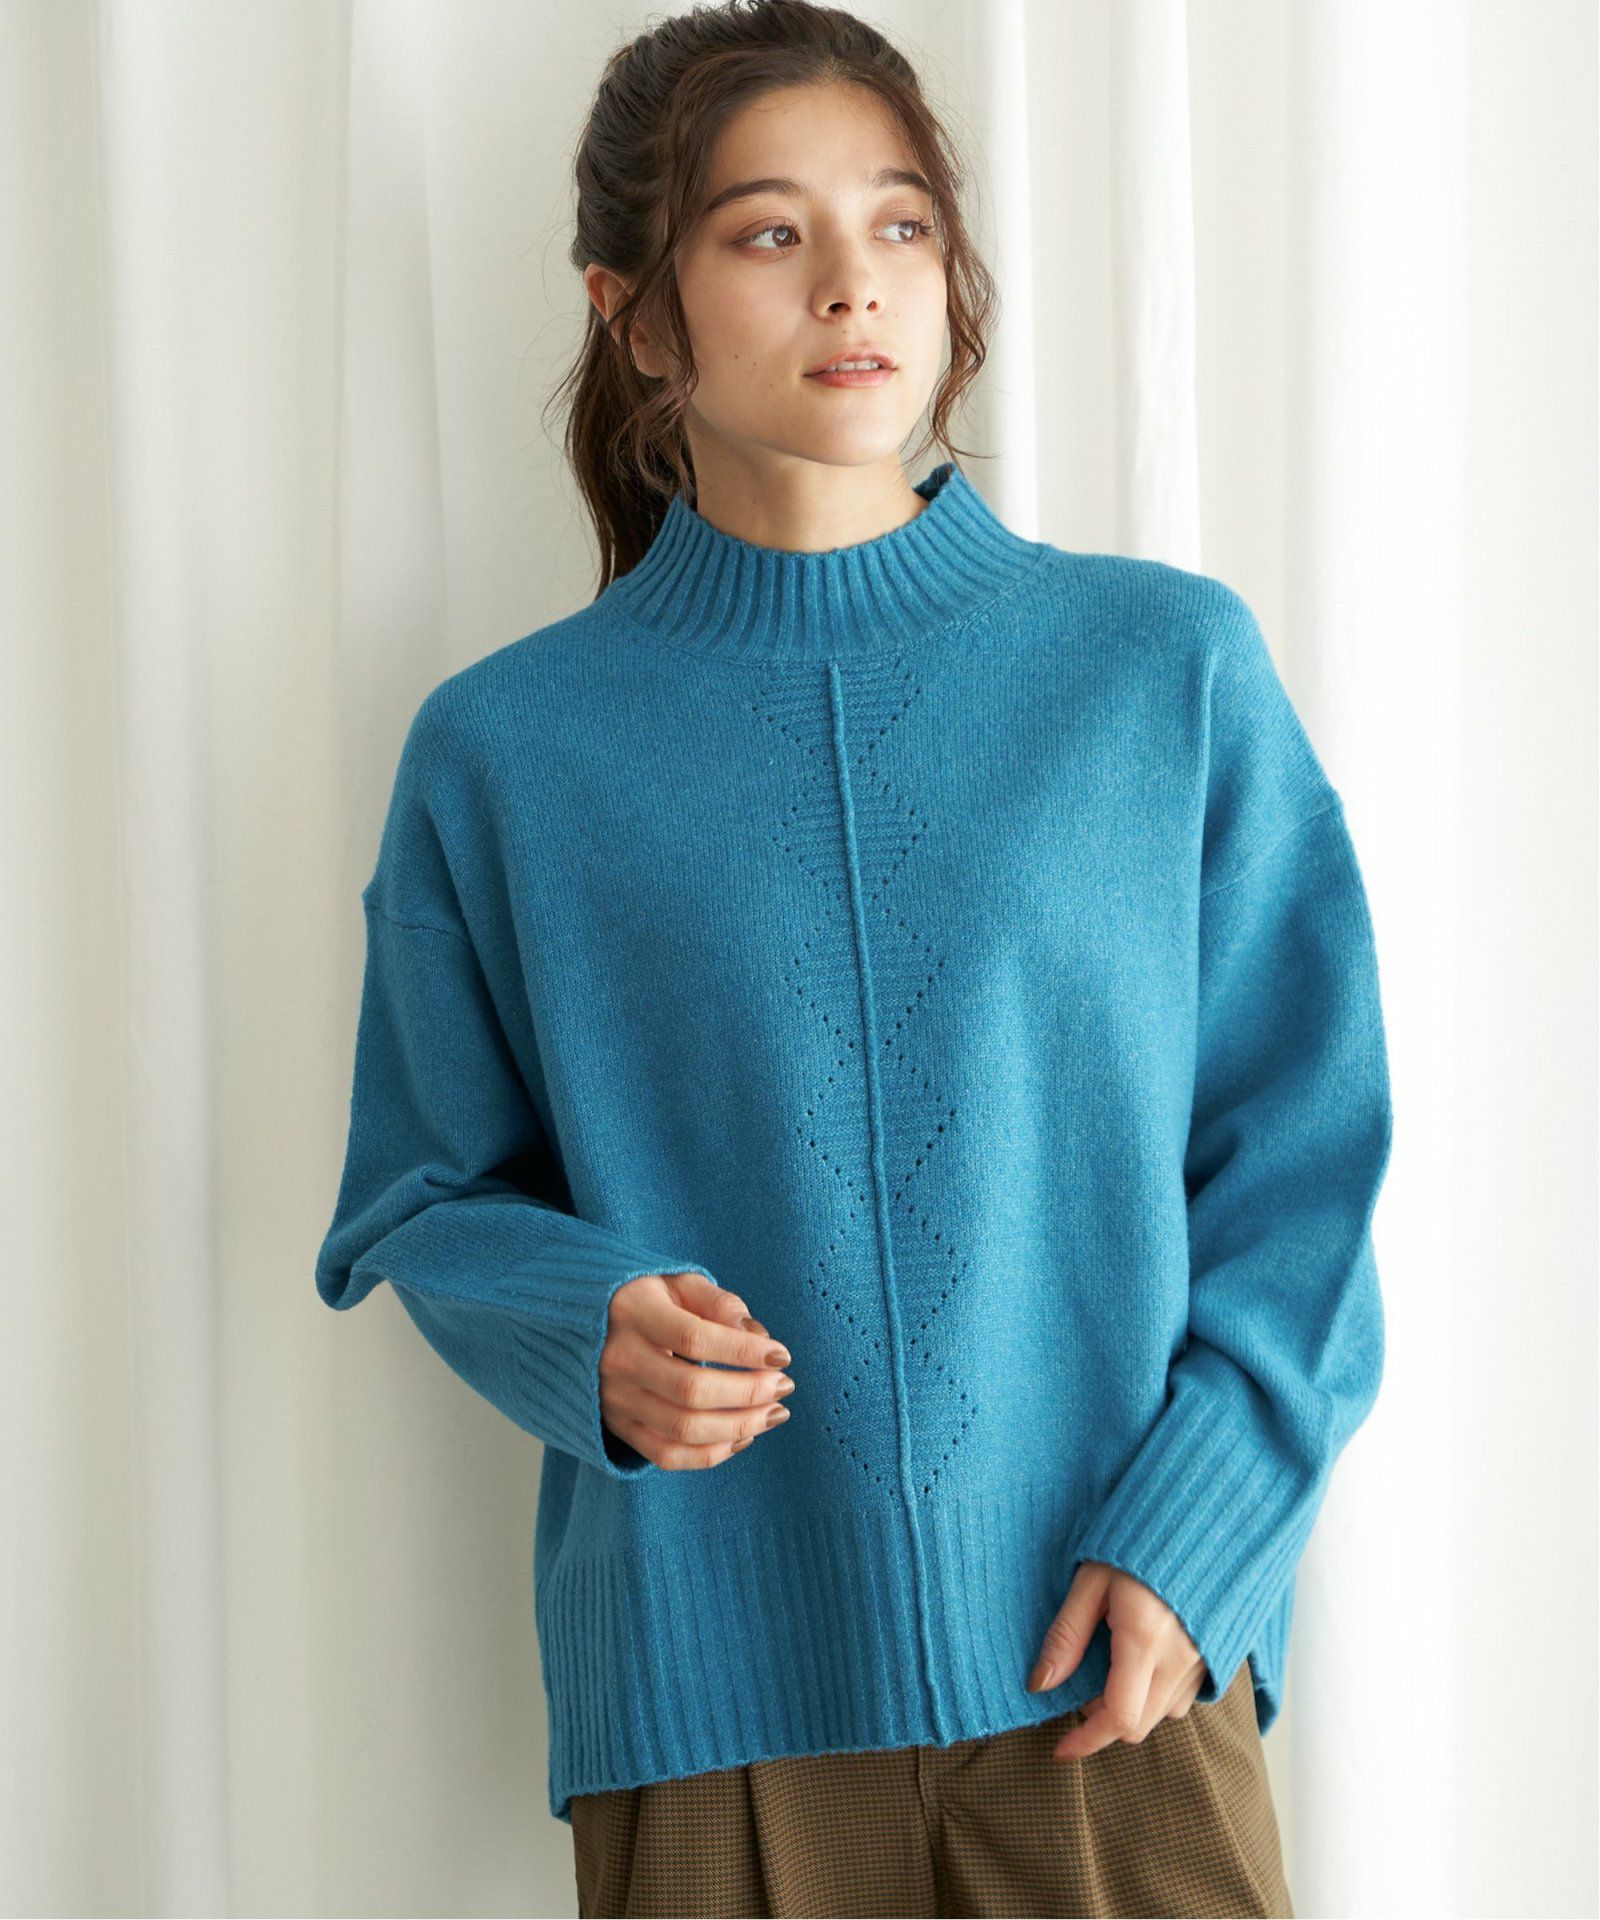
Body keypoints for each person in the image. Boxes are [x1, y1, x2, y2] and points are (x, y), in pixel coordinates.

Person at [314, 2, 1393, 1914]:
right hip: (710, 1724)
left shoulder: (1162, 672)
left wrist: (1202, 1529)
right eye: (766, 232)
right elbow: (417, 1196)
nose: (851, 284)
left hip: (1115, 1686)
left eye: (899, 223)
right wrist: (590, 1330)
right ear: (637, 317)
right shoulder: (506, 751)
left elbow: (1301, 1163)